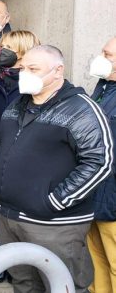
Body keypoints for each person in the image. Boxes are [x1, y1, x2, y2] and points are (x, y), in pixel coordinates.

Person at [0, 45, 114, 293]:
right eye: (23, 69)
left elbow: (99, 161)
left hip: (54, 225)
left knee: (63, 285)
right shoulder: (16, 106)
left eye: (34, 69)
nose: (25, 74)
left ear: (58, 71)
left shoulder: (81, 110)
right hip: (10, 218)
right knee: (24, 284)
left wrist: (54, 201)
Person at [0, 30, 40, 282]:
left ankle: (20, 269)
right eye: (1, 46)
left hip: (22, 164)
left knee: (17, 218)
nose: (0, 51)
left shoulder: (34, 85)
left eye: (7, 47)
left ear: (23, 52)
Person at [87, 36, 116, 293]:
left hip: (112, 197)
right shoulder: (104, 87)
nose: (101, 58)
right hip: (95, 192)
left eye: (108, 55)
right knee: (96, 260)